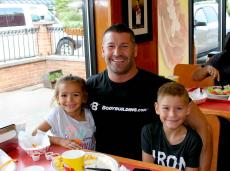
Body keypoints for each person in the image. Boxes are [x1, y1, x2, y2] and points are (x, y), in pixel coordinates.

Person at [86, 23, 211, 170]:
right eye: (111, 46)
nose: (117, 52)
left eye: (124, 46)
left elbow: (203, 127)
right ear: (102, 51)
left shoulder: (161, 87)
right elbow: (63, 118)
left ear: (135, 50)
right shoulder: (89, 87)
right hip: (102, 165)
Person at [141, 82, 202, 171]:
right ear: (157, 108)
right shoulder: (148, 132)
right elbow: (147, 168)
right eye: (166, 108)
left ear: (188, 109)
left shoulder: (193, 141)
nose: (172, 114)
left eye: (179, 108)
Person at [33, 75, 96, 150]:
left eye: (76, 95)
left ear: (84, 98)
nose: (69, 100)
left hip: (90, 158)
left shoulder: (90, 114)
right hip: (65, 158)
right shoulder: (57, 114)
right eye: (64, 95)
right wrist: (60, 141)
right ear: (57, 98)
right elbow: (34, 134)